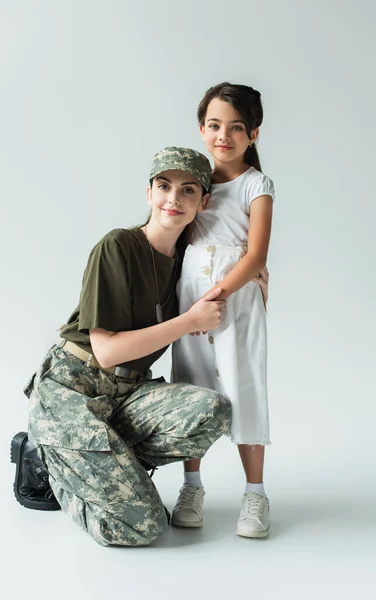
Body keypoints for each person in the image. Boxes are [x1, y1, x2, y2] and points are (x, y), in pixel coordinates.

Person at [10, 147, 232, 547]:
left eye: (187, 190)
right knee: (142, 526)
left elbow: (233, 266)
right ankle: (49, 455)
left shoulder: (190, 261)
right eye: (163, 187)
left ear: (204, 202)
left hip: (127, 395)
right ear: (149, 194)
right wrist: (189, 322)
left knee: (213, 411)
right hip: (71, 391)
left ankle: (91, 462)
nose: (173, 199)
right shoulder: (118, 247)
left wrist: (254, 270)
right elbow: (107, 351)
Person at [171, 83, 275, 538]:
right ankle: (192, 486)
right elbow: (171, 225)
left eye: (236, 127)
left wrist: (218, 295)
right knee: (191, 380)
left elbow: (254, 255)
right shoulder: (195, 179)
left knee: (243, 382)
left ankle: (255, 494)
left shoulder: (257, 185)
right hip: (190, 292)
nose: (223, 136)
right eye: (214, 125)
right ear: (201, 128)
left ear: (253, 133)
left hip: (234, 296)